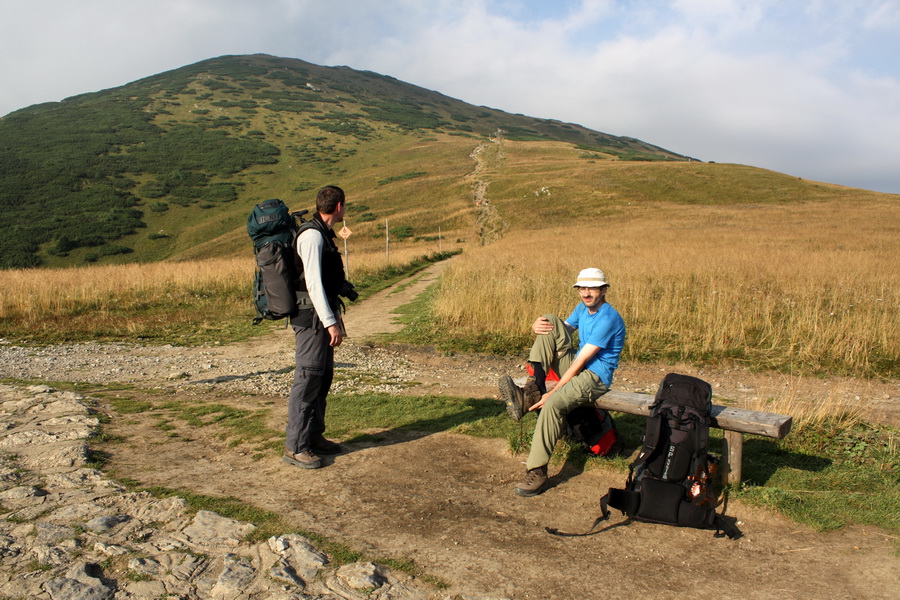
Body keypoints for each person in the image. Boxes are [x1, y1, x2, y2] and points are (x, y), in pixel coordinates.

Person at [499, 267, 626, 496]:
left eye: (592, 289)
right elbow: (562, 331)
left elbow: (582, 360)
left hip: (595, 376)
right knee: (549, 322)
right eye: (582, 288)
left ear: (604, 290)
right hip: (578, 364)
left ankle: (537, 471)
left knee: (553, 403)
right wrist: (536, 327)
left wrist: (555, 390)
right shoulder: (582, 308)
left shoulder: (608, 318)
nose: (586, 293)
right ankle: (533, 388)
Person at [283, 185, 349, 470]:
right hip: (311, 322)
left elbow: (326, 285)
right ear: (338, 207)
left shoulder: (323, 234)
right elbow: (313, 284)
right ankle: (295, 447)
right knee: (308, 380)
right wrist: (330, 321)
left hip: (319, 319)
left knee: (322, 378)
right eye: (344, 206)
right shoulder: (311, 236)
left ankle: (314, 437)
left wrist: (335, 319)